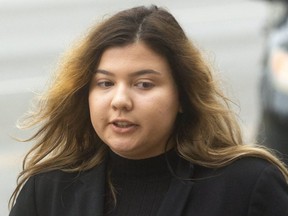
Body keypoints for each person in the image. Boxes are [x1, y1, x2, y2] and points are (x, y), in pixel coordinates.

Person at [9, 5, 288, 216]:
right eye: (105, 83)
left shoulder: (247, 184)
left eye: (143, 84)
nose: (120, 100)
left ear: (182, 95)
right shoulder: (48, 189)